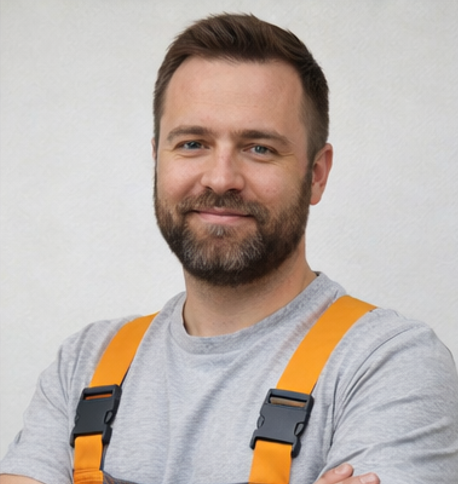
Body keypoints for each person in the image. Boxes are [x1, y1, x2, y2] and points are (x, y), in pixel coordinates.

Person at [1, 12, 457, 484]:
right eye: (192, 143)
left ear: (317, 174)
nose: (220, 179)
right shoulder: (83, 364)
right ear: (157, 159)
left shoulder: (387, 362)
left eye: (259, 148)